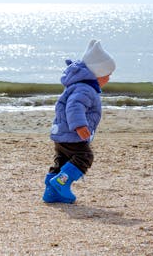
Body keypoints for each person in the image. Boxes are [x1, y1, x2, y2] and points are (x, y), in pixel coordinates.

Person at [42, 39, 116, 204]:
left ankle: (51, 191)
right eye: (107, 74)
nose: (109, 78)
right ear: (97, 73)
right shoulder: (85, 88)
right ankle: (61, 183)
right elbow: (74, 106)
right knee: (84, 156)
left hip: (62, 134)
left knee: (63, 160)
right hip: (72, 134)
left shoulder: (79, 85)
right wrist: (80, 125)